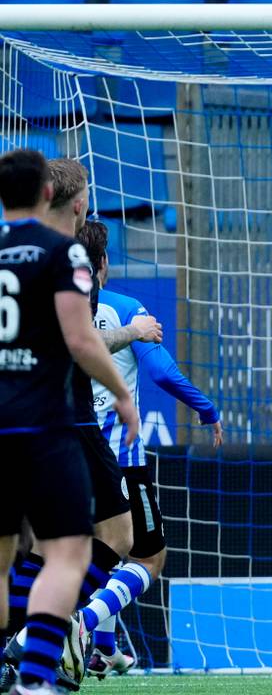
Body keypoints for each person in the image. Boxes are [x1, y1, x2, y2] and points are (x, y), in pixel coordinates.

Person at [0, 159, 163, 691]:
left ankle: (18, 651)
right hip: (59, 420)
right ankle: (33, 662)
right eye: (86, 197)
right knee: (101, 541)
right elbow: (79, 339)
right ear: (60, 195)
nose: (87, 206)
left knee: (16, 557)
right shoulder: (63, 253)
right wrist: (121, 392)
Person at [73, 219, 223, 678]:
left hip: (61, 449)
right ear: (102, 263)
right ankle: (81, 622)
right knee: (148, 556)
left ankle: (104, 647)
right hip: (118, 455)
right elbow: (161, 374)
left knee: (90, 550)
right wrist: (207, 409)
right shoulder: (127, 310)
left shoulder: (50, 306)